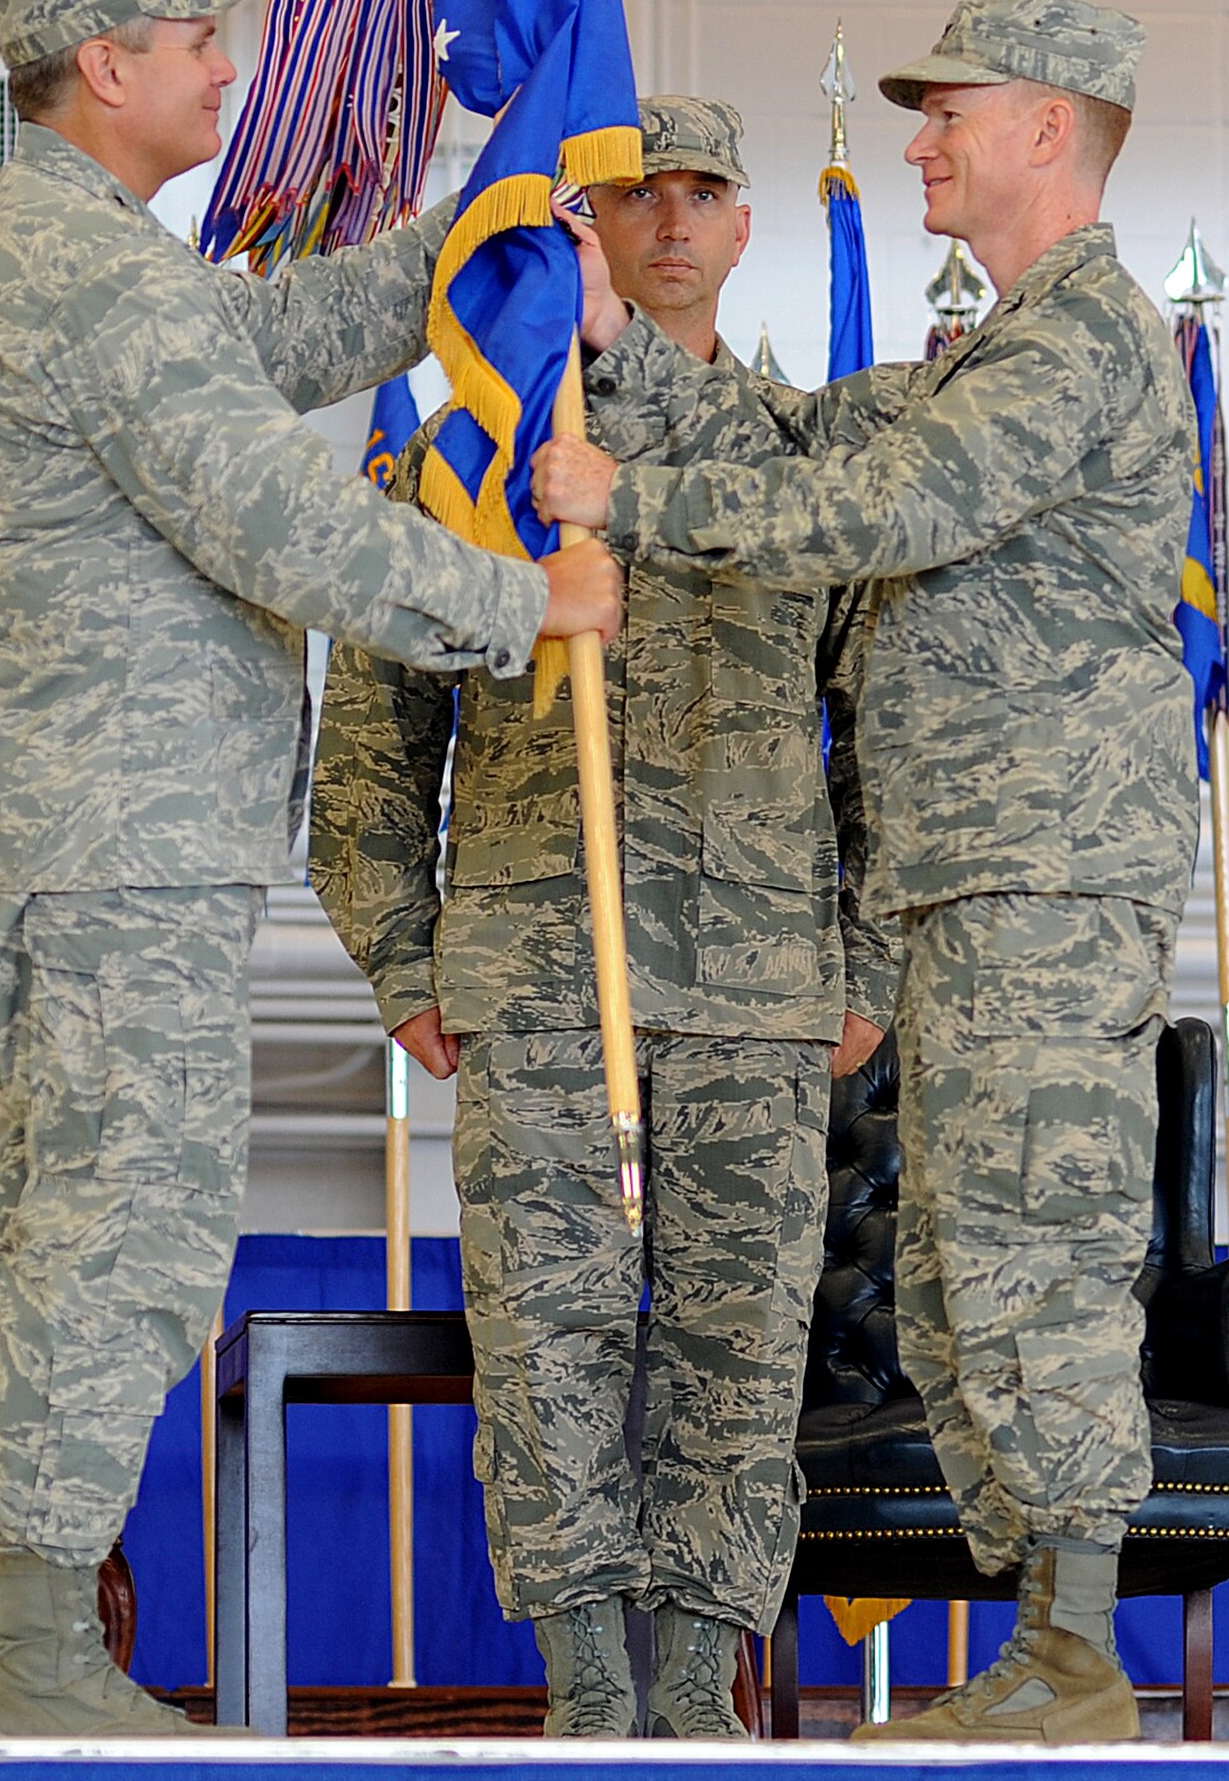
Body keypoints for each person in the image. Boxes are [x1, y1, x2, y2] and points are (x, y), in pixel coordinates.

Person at [0, 0, 621, 1741]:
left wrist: (486, 206)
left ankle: (26, 1642)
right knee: (122, 1233)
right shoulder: (85, 276)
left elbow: (287, 331)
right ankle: (36, 1662)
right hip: (117, 843)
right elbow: (278, 524)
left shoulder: (93, 262)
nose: (226, 69)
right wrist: (519, 604)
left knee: (83, 1224)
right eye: (196, 40)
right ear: (106, 68)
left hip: (95, 836)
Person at [532, 0, 1200, 1745]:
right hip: (963, 888)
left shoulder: (1085, 343)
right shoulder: (994, 353)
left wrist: (627, 504)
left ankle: (1072, 1665)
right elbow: (808, 449)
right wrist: (623, 351)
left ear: (1046, 128)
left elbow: (883, 516)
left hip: (1044, 882)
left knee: (1028, 1264)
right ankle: (1042, 1658)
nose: (915, 140)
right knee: (959, 1272)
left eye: (946, 113)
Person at [309, 96, 898, 1739]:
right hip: (538, 980)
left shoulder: (812, 463)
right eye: (637, 197)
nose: (672, 222)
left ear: (745, 220)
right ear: (590, 229)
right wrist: (400, 957)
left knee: (732, 1355)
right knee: (550, 1348)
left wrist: (872, 965)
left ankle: (697, 1695)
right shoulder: (475, 462)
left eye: (705, 190)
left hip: (761, 991)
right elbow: (370, 734)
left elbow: (890, 733)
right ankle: (583, 1689)